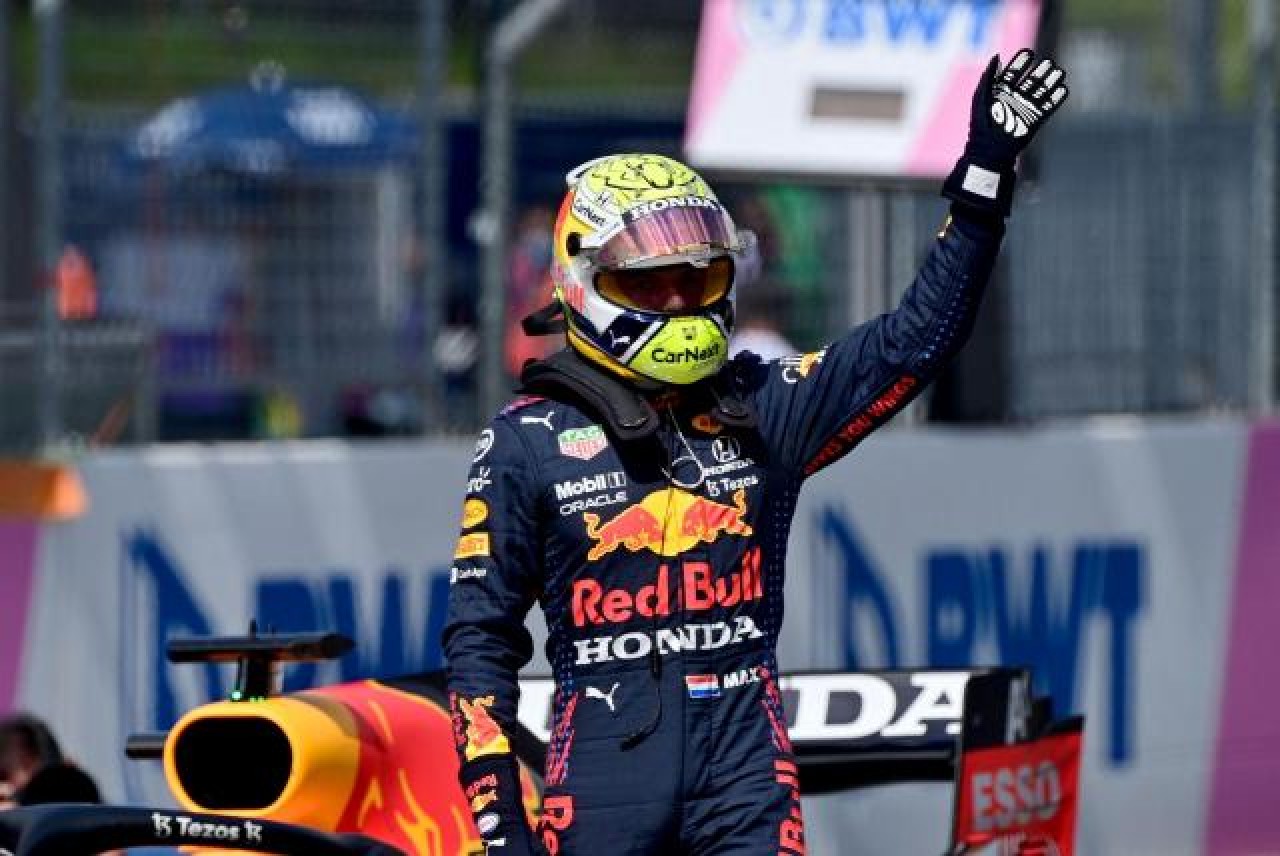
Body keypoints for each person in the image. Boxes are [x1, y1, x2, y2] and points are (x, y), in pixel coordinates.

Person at [443, 50, 1068, 856]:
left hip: (745, 787)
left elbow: (915, 341)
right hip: (601, 791)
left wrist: (985, 176)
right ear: (583, 285)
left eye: (696, 278)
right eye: (650, 284)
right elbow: (480, 644)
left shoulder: (764, 405)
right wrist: (501, 827)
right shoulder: (524, 439)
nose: (678, 301)